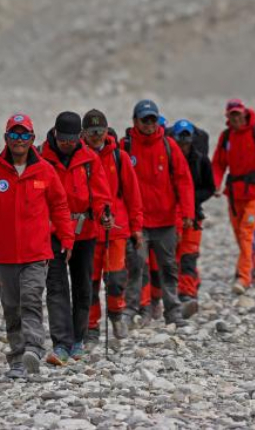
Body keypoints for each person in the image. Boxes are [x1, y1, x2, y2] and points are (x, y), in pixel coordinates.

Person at [0, 113, 74, 380]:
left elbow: (60, 206)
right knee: (11, 307)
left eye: (24, 135)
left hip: (36, 253)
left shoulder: (45, 170)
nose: (19, 140)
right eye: (14, 134)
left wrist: (67, 239)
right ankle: (17, 359)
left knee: (31, 299)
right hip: (5, 254)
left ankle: (33, 349)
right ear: (6, 138)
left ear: (32, 139)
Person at [37, 111, 110, 364]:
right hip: (53, 231)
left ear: (79, 136)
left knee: (83, 287)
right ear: (55, 133)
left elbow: (100, 195)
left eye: (71, 139)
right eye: (63, 139)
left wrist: (104, 215)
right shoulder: (39, 157)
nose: (67, 143)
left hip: (85, 231)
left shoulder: (90, 159)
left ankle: (78, 339)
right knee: (56, 287)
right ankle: (61, 344)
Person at [122, 100, 195, 326]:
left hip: (165, 221)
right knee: (136, 266)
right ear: (135, 121)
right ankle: (133, 309)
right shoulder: (125, 147)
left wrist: (187, 213)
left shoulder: (168, 145)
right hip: (138, 222)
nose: (150, 124)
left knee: (168, 267)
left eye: (153, 119)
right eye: (145, 119)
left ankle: (172, 311)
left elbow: (183, 180)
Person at [80, 109, 142, 342]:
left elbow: (133, 196)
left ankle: (116, 316)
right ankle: (91, 325)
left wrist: (136, 227)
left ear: (107, 130)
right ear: (83, 133)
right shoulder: (79, 157)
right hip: (87, 231)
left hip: (117, 230)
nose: (97, 135)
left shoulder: (120, 157)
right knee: (90, 282)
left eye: (100, 130)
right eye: (92, 131)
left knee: (116, 279)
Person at [212, 99, 255, 293]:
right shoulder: (226, 137)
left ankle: (243, 277)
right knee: (240, 236)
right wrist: (216, 184)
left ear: (244, 113)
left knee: (247, 234)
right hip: (234, 194)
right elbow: (218, 163)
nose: (236, 118)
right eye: (232, 115)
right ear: (228, 117)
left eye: (238, 114)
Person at [173, 119, 215, 314]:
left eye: (186, 141)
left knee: (188, 254)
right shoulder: (168, 159)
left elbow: (210, 187)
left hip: (193, 216)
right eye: (179, 141)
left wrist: (190, 199)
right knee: (173, 256)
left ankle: (187, 294)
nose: (183, 145)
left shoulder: (201, 160)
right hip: (172, 215)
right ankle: (184, 289)